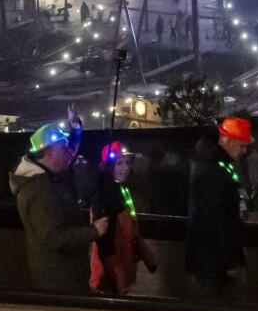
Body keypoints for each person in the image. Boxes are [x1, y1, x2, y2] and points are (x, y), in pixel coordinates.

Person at [11, 116, 110, 294]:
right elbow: (54, 237)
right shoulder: (40, 191)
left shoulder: (46, 173)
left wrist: (76, 130)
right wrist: (94, 231)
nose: (69, 153)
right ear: (49, 154)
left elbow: (69, 152)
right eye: (63, 149)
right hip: (60, 282)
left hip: (62, 276)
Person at [186, 117, 253, 298]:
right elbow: (214, 220)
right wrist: (231, 259)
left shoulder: (214, 163)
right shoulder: (212, 170)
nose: (244, 151)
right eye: (242, 145)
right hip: (212, 263)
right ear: (227, 141)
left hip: (211, 260)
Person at [90, 141, 157, 294]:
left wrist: (148, 257)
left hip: (122, 270)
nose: (125, 168)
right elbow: (105, 247)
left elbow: (131, 228)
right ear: (108, 167)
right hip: (106, 280)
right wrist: (119, 282)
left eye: (127, 162)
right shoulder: (106, 196)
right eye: (119, 163)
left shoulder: (121, 189)